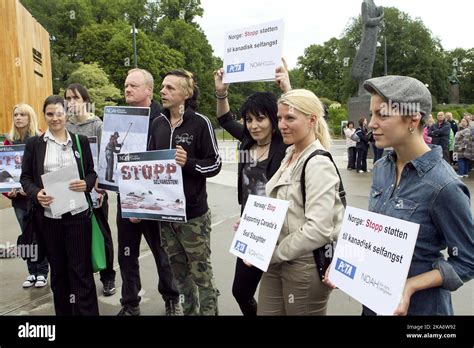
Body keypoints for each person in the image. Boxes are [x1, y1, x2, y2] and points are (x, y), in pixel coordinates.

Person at [342, 75, 473, 315]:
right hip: (374, 303)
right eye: (372, 114)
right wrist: (347, 262)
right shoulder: (382, 168)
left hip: (420, 309)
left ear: (413, 119)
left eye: (382, 115)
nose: (371, 123)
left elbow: (467, 260)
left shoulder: (444, 186)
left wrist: (410, 286)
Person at [213, 59, 291, 316]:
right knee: (241, 291)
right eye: (249, 119)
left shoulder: (285, 144)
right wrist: (222, 92)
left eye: (261, 118)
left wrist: (287, 89)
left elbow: (297, 119)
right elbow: (225, 119)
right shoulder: (247, 141)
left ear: (273, 119)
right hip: (251, 226)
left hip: (283, 230)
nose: (254, 125)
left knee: (281, 298)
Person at [258, 89, 344, 315]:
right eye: (279, 118)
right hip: (277, 260)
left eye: (290, 118)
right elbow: (282, 207)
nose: (282, 125)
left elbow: (319, 229)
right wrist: (253, 224)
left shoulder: (317, 163)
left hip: (303, 265)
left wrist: (273, 254)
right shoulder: (290, 154)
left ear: (312, 120)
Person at [149, 69, 222, 315]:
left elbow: (215, 164)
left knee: (201, 273)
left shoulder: (200, 123)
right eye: (162, 86)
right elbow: (148, 167)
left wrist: (188, 162)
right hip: (166, 216)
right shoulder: (157, 123)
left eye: (170, 87)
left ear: (186, 93)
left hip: (193, 216)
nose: (163, 91)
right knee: (179, 274)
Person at [20, 95, 99, 315]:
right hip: (49, 218)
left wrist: (87, 183)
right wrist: (37, 194)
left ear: (67, 114)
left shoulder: (80, 141)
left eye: (59, 113)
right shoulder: (35, 144)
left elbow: (92, 172)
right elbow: (25, 178)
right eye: (50, 114)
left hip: (78, 215)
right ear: (44, 115)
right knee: (59, 273)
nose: (55, 118)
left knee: (81, 272)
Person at [116, 68, 180, 316]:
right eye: (125, 86)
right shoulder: (119, 119)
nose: (127, 89)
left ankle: (172, 299)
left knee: (162, 253)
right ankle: (130, 303)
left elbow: (165, 164)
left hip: (155, 201)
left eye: (133, 85)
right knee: (126, 254)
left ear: (149, 90)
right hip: (125, 198)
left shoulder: (164, 119)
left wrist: (141, 204)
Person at [64, 83, 116, 297]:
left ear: (85, 100)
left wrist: (101, 188)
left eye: (75, 98)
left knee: (102, 234)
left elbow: (105, 157)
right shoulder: (65, 125)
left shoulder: (97, 125)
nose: (71, 102)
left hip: (95, 188)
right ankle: (81, 277)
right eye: (67, 98)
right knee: (76, 235)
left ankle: (108, 277)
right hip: (72, 188)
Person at [3, 103, 49, 288]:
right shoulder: (8, 141)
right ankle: (32, 271)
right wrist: (9, 191)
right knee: (26, 234)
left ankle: (43, 271)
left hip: (36, 197)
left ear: (30, 117)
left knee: (41, 234)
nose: (18, 118)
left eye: (23, 114)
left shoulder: (40, 139)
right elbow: (3, 172)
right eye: (15, 115)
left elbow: (45, 169)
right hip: (19, 200)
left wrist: (32, 189)